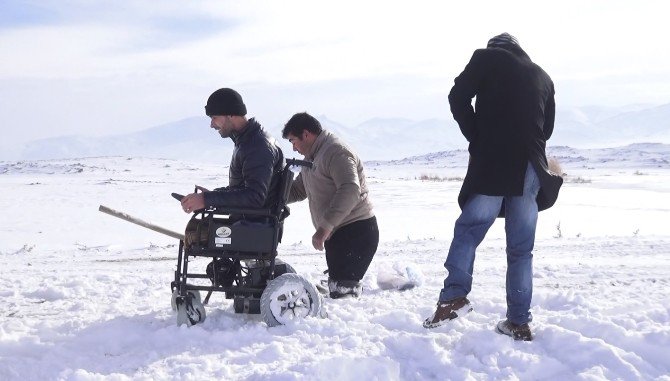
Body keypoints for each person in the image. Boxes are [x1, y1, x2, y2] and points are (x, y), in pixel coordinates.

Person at [423, 33, 563, 341]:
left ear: (494, 47)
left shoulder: (485, 58)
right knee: (521, 250)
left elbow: (457, 97)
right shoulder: (543, 76)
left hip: (495, 161)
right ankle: (519, 322)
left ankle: (453, 299)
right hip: (530, 167)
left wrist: (479, 136)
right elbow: (547, 128)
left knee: (469, 229)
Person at [282, 112, 378, 298]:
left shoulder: (335, 151)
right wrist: (269, 195)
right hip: (338, 234)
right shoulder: (312, 157)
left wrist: (324, 227)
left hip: (356, 232)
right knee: (337, 290)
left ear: (306, 134)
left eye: (294, 141)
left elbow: (350, 189)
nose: (294, 148)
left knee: (344, 296)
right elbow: (298, 190)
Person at [180, 88, 284, 215]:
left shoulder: (258, 146)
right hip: (246, 225)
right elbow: (242, 189)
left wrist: (206, 199)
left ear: (231, 114)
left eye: (214, 117)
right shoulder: (247, 142)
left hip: (252, 228)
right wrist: (212, 196)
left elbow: (254, 197)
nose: (212, 125)